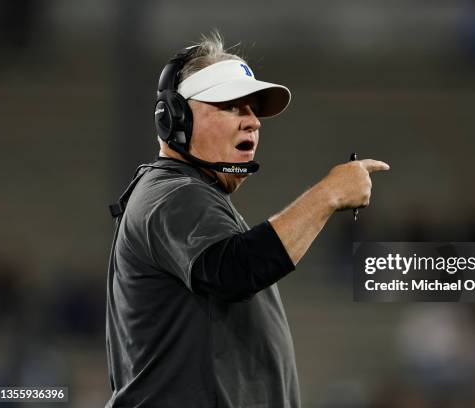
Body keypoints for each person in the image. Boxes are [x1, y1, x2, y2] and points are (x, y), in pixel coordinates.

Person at [105, 31, 389, 408]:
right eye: (232, 106)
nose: (253, 122)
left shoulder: (187, 193)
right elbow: (233, 270)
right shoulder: (174, 193)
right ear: (175, 118)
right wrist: (329, 194)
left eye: (253, 109)